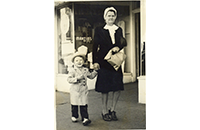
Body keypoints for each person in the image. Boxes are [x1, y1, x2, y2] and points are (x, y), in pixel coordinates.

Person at [92, 7, 127, 121]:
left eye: (113, 16)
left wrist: (119, 46)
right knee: (105, 88)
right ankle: (104, 111)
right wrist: (95, 61)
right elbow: (94, 46)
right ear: (105, 17)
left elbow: (122, 42)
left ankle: (113, 110)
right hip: (103, 62)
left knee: (117, 87)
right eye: (109, 16)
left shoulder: (119, 29)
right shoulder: (99, 30)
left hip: (115, 62)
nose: (111, 18)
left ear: (115, 17)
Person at [67, 52, 98, 126]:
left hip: (83, 90)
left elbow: (90, 76)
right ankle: (74, 116)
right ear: (74, 62)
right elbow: (69, 79)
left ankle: (85, 118)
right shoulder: (72, 70)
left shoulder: (85, 70)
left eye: (81, 60)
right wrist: (77, 78)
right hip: (75, 90)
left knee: (83, 104)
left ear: (83, 62)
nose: (79, 62)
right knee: (74, 104)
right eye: (77, 60)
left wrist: (95, 71)